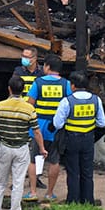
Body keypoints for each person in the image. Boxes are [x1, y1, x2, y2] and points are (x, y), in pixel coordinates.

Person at [0, 76, 48, 210]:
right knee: (18, 182)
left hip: (5, 147)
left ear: (9, 89)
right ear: (24, 90)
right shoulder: (29, 108)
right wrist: (42, 148)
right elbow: (36, 132)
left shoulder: (0, 106)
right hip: (22, 148)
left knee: (1, 180)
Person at [53, 72, 105, 204]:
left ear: (73, 86)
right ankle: (88, 200)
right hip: (88, 139)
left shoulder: (67, 101)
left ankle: (73, 200)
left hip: (72, 139)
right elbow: (102, 122)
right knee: (87, 172)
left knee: (73, 172)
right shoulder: (96, 100)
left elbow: (57, 124)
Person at [26, 54, 72, 200]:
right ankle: (50, 194)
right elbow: (70, 105)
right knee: (54, 160)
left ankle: (32, 192)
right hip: (57, 128)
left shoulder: (38, 83)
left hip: (38, 127)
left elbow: (29, 105)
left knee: (33, 159)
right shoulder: (66, 84)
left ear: (47, 67)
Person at [13, 47, 46, 190]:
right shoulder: (18, 71)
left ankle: (36, 177)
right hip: (21, 113)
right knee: (20, 148)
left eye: (27, 56)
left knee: (37, 149)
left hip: (36, 115)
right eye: (22, 56)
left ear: (35, 59)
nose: (24, 59)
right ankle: (17, 179)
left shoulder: (42, 73)